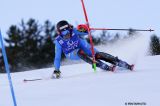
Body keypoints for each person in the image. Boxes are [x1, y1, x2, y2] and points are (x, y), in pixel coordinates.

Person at [53, 20, 134, 78]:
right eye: (64, 34)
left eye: (68, 32)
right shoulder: (58, 41)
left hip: (81, 46)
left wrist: (85, 28)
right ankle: (100, 65)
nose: (67, 35)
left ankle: (120, 63)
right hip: (71, 53)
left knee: (98, 55)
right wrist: (57, 70)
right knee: (79, 52)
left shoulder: (73, 31)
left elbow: (86, 32)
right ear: (59, 33)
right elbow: (57, 57)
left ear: (69, 29)